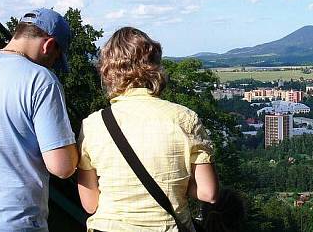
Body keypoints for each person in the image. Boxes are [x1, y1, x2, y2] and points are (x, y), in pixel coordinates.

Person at [77, 27, 219, 232]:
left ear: (107, 71)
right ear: (155, 66)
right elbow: (208, 193)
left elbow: (90, 204)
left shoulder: (93, 124)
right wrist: (173, 183)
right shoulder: (185, 118)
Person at [0, 8, 79, 231]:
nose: (51, 65)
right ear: (48, 45)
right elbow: (61, 167)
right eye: (54, 59)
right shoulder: (40, 80)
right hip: (14, 223)